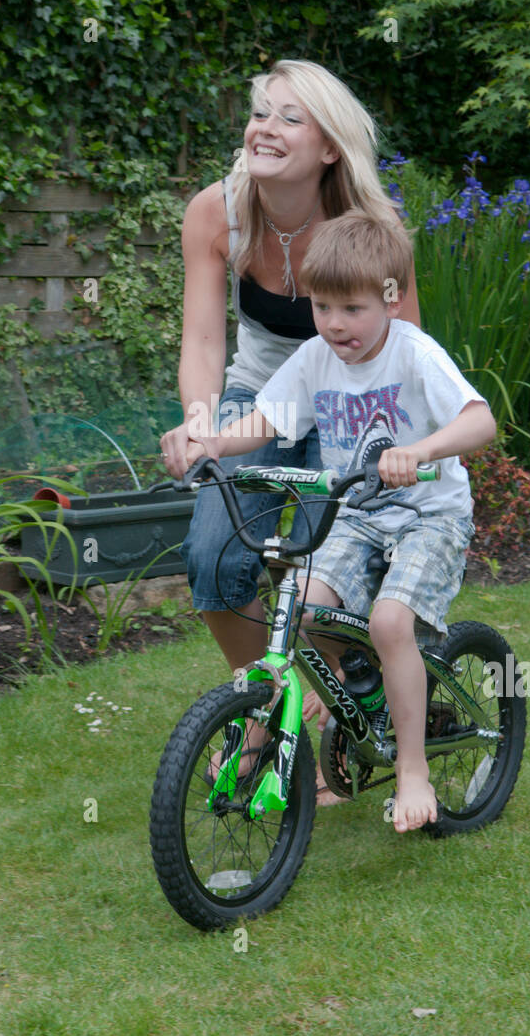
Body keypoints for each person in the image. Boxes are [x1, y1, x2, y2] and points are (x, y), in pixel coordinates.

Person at [175, 209, 497, 833]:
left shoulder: (414, 353)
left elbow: (479, 420)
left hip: (429, 517)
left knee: (389, 623)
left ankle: (411, 768)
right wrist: (213, 442)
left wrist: (422, 451)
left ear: (391, 299)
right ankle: (365, 698)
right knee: (305, 607)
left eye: (351, 309)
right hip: (361, 514)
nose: (335, 325)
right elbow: (268, 420)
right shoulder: (316, 358)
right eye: (323, 308)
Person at [160, 60, 421, 688]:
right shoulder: (215, 213)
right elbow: (201, 338)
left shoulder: (371, 227)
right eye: (259, 113)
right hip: (262, 394)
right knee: (213, 556)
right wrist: (201, 424)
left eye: (289, 117)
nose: (265, 128)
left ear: (330, 146)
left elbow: (407, 349)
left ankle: (340, 702)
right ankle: (264, 699)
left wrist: (406, 445)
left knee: (323, 574)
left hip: (352, 401)